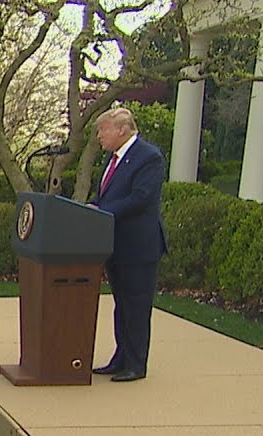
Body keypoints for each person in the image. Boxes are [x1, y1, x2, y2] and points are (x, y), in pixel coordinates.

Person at [90, 107, 168, 383]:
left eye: (104, 129)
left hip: (138, 247)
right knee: (121, 305)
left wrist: (102, 211)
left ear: (122, 129)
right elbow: (106, 196)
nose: (100, 136)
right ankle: (121, 358)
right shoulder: (111, 159)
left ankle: (136, 364)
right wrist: (91, 208)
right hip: (115, 246)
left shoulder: (149, 157)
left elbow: (141, 198)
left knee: (136, 306)